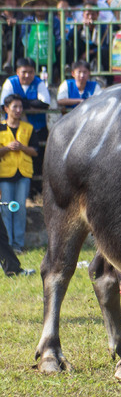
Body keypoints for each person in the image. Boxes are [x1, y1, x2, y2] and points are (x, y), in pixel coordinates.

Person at [0, 57, 50, 197]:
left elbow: (45, 103)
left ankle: (36, 192)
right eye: (24, 72)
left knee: (39, 159)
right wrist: (31, 103)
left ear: (35, 72)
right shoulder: (10, 82)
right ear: (17, 71)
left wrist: (21, 102)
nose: (27, 75)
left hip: (37, 128)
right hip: (13, 130)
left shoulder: (39, 82)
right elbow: (3, 103)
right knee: (12, 156)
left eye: (31, 72)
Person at [0, 93, 38, 258]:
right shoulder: (0, 127)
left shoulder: (28, 128)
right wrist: (7, 148)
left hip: (23, 173)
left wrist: (22, 147)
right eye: (14, 107)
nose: (18, 110)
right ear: (6, 109)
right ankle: (7, 244)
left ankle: (18, 245)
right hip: (5, 173)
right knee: (6, 209)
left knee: (21, 209)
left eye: (20, 107)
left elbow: (35, 151)